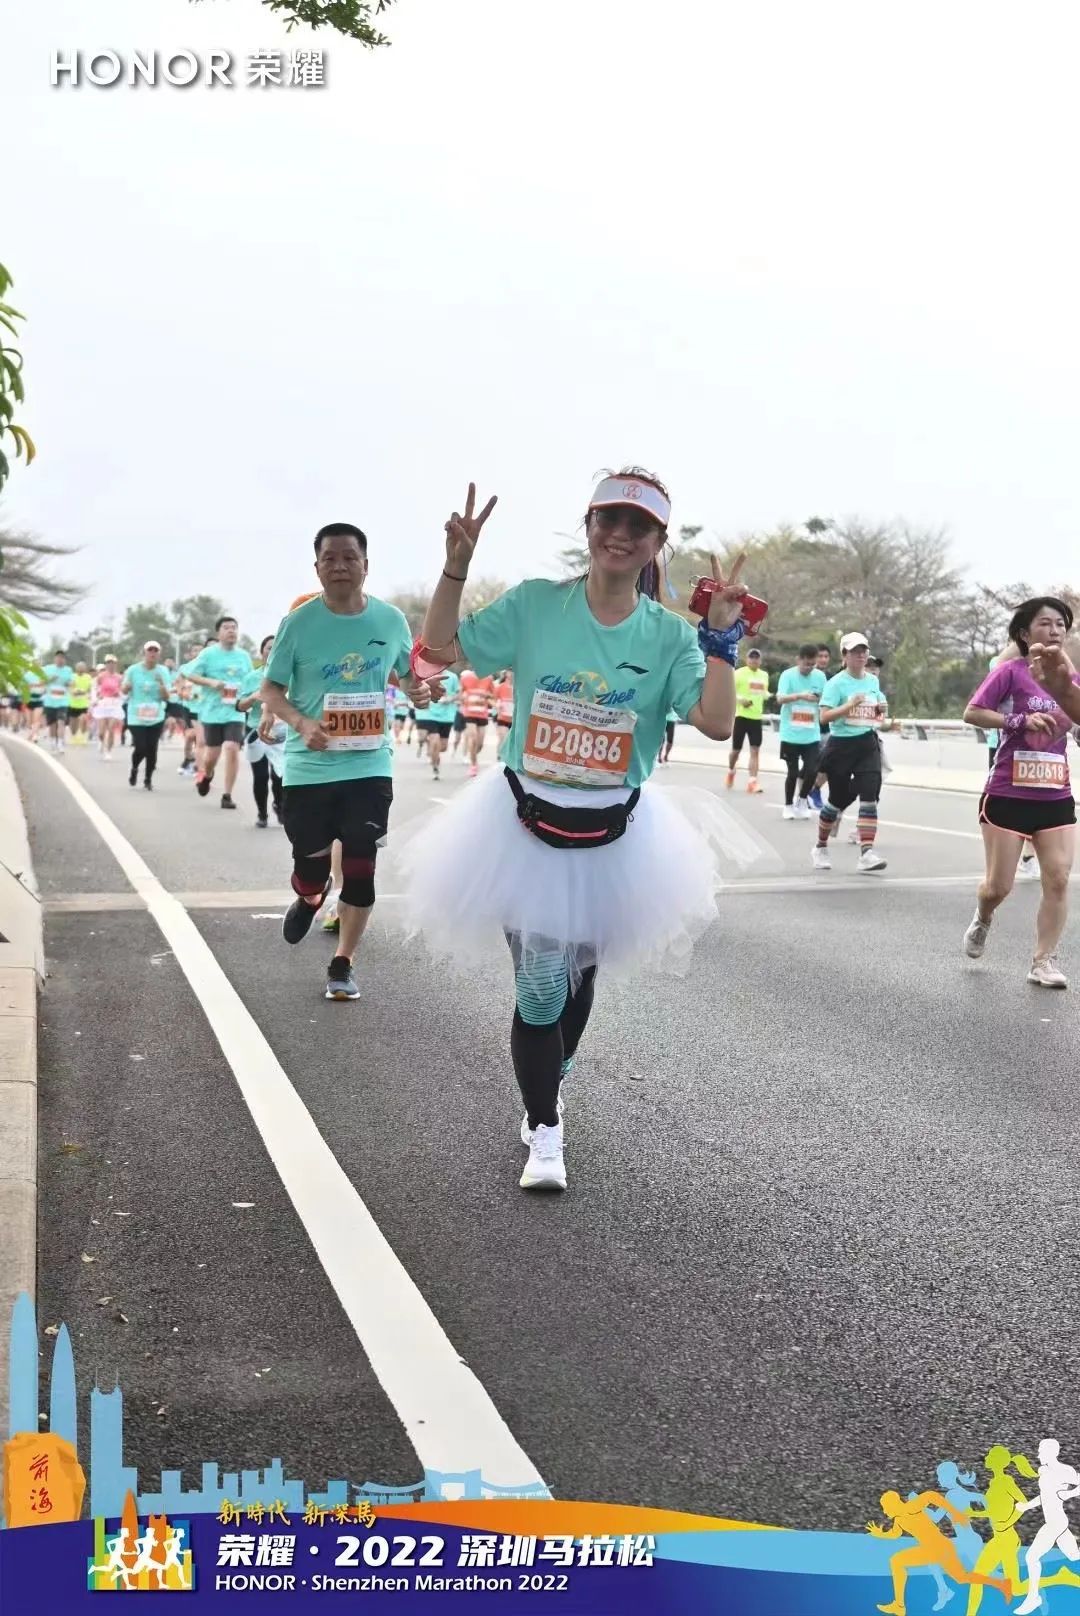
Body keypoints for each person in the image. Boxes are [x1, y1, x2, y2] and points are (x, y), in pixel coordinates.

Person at [396, 470, 766, 1194]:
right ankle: (545, 1129)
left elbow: (718, 723)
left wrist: (720, 641)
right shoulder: (537, 606)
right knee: (539, 988)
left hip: (615, 837)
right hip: (521, 828)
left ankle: (552, 1074)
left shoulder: (666, 636)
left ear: (659, 542)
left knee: (579, 978)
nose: (621, 537)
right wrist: (457, 565)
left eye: (640, 527)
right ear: (589, 527)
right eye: (609, 521)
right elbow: (439, 652)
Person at [261, 522, 429, 1001]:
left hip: (369, 765)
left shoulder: (390, 620)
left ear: (366, 565)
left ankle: (342, 963)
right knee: (311, 865)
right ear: (317, 567)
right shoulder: (299, 623)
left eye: (349, 557)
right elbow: (271, 690)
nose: (339, 566)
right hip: (310, 767)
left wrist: (417, 690)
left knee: (361, 864)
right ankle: (311, 895)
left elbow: (407, 677)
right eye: (329, 558)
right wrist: (301, 723)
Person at [961, 596, 1077, 988]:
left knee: (1059, 878)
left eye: (1061, 623)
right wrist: (1019, 719)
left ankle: (1043, 961)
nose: (1056, 629)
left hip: (1056, 794)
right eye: (1046, 623)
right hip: (1008, 792)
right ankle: (984, 915)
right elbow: (972, 712)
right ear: (1025, 634)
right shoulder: (1009, 673)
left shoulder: (1071, 679)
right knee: (999, 887)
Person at [812, 632, 888, 873]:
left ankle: (867, 853)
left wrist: (881, 710)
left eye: (864, 650)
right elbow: (823, 717)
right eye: (856, 651)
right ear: (845, 655)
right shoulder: (835, 683)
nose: (862, 655)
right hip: (841, 747)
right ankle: (820, 846)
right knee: (837, 801)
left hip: (867, 744)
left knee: (869, 798)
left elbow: (877, 713)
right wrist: (848, 706)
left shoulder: (872, 682)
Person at [185, 616, 254, 810]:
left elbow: (250, 679)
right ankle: (207, 775)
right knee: (211, 756)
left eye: (234, 628)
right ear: (219, 632)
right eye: (227, 628)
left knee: (232, 748)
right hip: (212, 712)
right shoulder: (208, 654)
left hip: (235, 711)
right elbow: (190, 674)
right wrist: (211, 682)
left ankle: (227, 795)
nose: (231, 631)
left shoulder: (244, 656)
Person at [239, 635, 284, 828]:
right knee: (261, 776)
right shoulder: (251, 678)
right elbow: (240, 706)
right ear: (262, 652)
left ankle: (279, 806)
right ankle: (262, 814)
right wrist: (253, 697)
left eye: (276, 648)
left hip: (282, 731)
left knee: (279, 775)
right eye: (268, 648)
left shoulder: (290, 675)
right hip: (256, 730)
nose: (272, 651)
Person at [776, 644, 825, 818]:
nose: (809, 668)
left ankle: (802, 800)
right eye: (806, 664)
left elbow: (825, 698)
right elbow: (780, 698)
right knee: (793, 772)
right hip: (790, 733)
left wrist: (819, 699)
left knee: (812, 770)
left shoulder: (820, 676)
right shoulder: (788, 675)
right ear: (799, 660)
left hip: (811, 733)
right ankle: (788, 805)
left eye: (812, 664)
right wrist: (800, 696)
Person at [121, 641, 172, 790]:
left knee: (152, 748)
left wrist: (162, 686)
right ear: (144, 653)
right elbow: (124, 691)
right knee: (141, 747)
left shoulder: (163, 671)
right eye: (150, 650)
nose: (152, 653)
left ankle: (148, 779)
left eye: (156, 651)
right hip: (136, 715)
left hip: (156, 715)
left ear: (159, 654)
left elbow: (167, 697)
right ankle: (135, 768)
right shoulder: (133, 670)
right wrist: (126, 687)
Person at [725, 646, 769, 793]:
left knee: (755, 750)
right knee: (736, 750)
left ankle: (752, 781)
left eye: (757, 658)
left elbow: (763, 692)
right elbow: (729, 691)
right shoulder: (738, 673)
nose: (754, 660)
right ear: (747, 659)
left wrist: (768, 695)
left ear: (760, 660)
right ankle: (731, 770)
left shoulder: (764, 675)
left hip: (756, 717)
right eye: (752, 657)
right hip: (741, 716)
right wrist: (740, 699)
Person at [416, 668, 459, 781]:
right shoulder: (425, 673)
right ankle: (435, 767)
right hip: (428, 714)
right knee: (435, 740)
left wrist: (449, 698)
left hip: (446, 716)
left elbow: (459, 694)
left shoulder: (452, 677)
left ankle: (432, 749)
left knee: (443, 747)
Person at [459, 667, 495, 778]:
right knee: (472, 738)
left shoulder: (489, 678)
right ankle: (473, 765)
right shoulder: (465, 678)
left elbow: (493, 695)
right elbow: (460, 695)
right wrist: (464, 698)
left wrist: (486, 695)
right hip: (469, 713)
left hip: (482, 714)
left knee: (479, 744)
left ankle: (473, 755)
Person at [92, 656, 125, 758]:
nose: (111, 665)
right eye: (108, 663)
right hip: (103, 704)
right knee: (101, 732)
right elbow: (94, 689)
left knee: (111, 728)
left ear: (116, 665)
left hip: (114, 704)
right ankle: (101, 742)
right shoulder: (101, 676)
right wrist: (95, 699)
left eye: (113, 663)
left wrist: (119, 695)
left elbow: (123, 691)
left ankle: (108, 751)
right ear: (106, 665)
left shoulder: (119, 677)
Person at [41, 649, 74, 753]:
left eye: (62, 658)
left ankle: (60, 743)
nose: (60, 660)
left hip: (62, 701)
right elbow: (41, 682)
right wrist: (50, 680)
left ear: (64, 660)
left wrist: (69, 684)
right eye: (58, 657)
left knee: (61, 722)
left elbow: (71, 683)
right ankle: (53, 742)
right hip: (50, 701)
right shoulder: (47, 669)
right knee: (52, 724)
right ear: (55, 659)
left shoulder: (68, 670)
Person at [68, 661, 92, 743]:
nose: (81, 669)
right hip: (73, 703)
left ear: (85, 668)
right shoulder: (72, 676)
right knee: (73, 722)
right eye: (79, 667)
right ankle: (73, 735)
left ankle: (83, 736)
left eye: (83, 667)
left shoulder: (88, 677)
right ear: (76, 668)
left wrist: (85, 692)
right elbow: (71, 688)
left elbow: (89, 689)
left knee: (83, 720)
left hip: (84, 703)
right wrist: (75, 691)